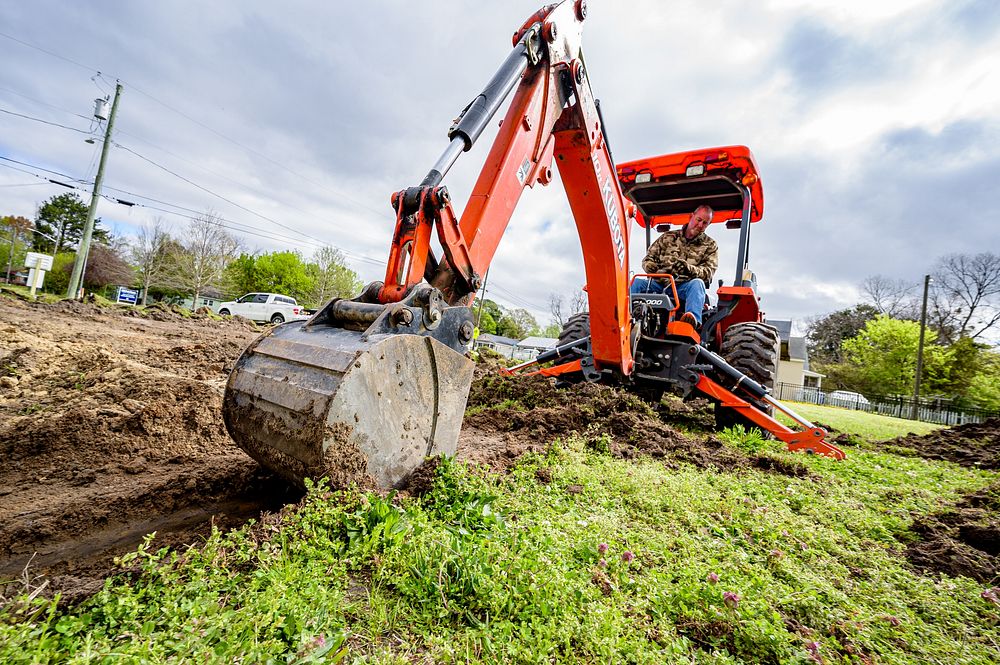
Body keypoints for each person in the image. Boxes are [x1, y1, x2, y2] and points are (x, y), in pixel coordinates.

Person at [631, 204, 717, 328]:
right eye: (699, 220)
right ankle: (626, 317)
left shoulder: (710, 245)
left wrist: (688, 268)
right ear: (691, 217)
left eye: (705, 223)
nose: (700, 225)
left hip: (683, 287)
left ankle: (691, 321)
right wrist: (652, 268)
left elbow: (708, 272)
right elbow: (648, 259)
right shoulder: (668, 237)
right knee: (637, 283)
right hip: (658, 284)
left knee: (697, 284)